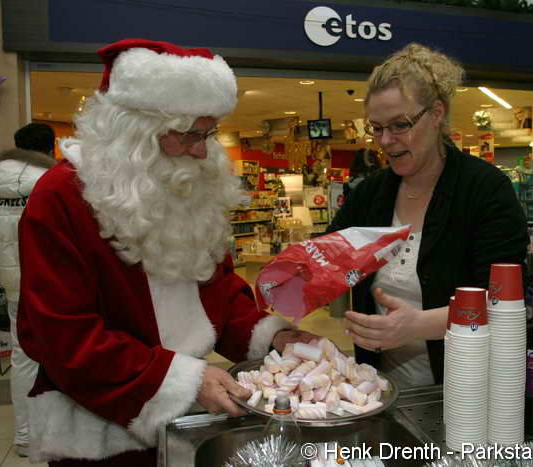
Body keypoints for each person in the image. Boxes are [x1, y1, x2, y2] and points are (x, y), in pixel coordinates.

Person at [16, 39, 316, 466]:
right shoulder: (61, 198)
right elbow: (64, 337)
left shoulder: (187, 185)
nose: (202, 150)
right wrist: (180, 382)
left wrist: (275, 339)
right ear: (134, 132)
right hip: (100, 433)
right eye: (189, 134)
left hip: (188, 415)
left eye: (207, 133)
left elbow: (220, 295)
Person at [326, 43, 528, 388]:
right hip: (381, 388)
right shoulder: (370, 194)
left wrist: (417, 325)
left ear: (436, 114)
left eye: (399, 125)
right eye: (376, 128)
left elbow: (503, 301)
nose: (385, 140)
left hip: (468, 387)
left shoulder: (484, 189)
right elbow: (329, 255)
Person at [0, 122, 57, 457]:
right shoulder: (49, 182)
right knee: (59, 354)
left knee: (23, 357)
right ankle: (53, 433)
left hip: (13, 284)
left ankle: (25, 436)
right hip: (49, 283)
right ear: (50, 148)